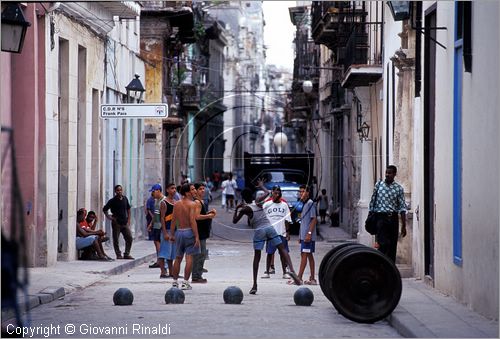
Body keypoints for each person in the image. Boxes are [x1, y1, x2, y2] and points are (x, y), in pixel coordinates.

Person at [232, 180, 301, 295]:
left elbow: (234, 221)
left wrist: (236, 209)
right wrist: (262, 186)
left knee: (257, 257)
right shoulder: (258, 201)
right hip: (270, 227)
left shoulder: (245, 209)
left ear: (242, 197)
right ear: (253, 195)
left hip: (259, 231)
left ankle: (254, 285)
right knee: (282, 249)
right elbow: (268, 193)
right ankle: (292, 271)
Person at [368, 165, 407, 262]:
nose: (387, 175)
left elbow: (402, 207)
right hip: (381, 218)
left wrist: (403, 225)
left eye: (389, 173)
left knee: (392, 245)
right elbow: (372, 201)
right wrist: (370, 216)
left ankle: (391, 270)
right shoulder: (379, 185)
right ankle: (381, 267)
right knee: (383, 244)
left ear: (394, 174)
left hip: (393, 219)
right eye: (386, 172)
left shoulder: (398, 189)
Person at [169, 183, 200, 290]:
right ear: (187, 192)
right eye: (192, 190)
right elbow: (192, 221)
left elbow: (173, 220)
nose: (194, 191)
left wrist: (172, 234)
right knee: (189, 257)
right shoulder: (192, 204)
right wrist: (196, 236)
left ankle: (174, 281)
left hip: (179, 232)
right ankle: (185, 282)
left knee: (177, 258)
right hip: (189, 232)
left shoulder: (177, 204)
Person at [261, 185, 292, 280]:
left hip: (281, 233)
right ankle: (267, 271)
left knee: (283, 253)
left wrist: (288, 232)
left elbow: (287, 220)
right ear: (272, 193)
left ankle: (284, 272)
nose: (277, 195)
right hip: (271, 233)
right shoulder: (267, 205)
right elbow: (262, 218)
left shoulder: (284, 205)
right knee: (270, 253)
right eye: (275, 193)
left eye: (278, 193)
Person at [192, 182, 217, 283]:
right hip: (199, 232)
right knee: (199, 254)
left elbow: (200, 214)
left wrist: (208, 213)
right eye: (200, 189)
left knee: (202, 254)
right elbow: (196, 217)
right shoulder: (197, 202)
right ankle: (196, 276)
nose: (203, 191)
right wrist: (208, 216)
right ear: (196, 191)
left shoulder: (201, 201)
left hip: (202, 231)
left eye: (203, 189)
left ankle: (198, 274)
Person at [102, 184, 134, 260]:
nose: (119, 192)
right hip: (116, 222)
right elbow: (105, 209)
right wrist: (109, 217)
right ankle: (118, 254)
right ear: (115, 191)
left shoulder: (125, 199)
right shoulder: (112, 201)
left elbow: (128, 209)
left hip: (124, 222)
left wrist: (129, 219)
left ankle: (127, 253)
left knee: (129, 237)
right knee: (116, 239)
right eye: (117, 190)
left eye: (120, 190)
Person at [296, 185, 317, 285]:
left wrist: (309, 234)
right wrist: (301, 236)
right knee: (308, 255)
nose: (301, 193)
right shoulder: (304, 204)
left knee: (305, 255)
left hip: (308, 237)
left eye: (303, 191)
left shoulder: (310, 203)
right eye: (300, 191)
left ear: (308, 193)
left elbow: (314, 219)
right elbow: (304, 222)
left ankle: (299, 278)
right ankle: (312, 279)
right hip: (304, 236)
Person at [158, 183, 178, 278]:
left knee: (172, 253)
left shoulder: (175, 202)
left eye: (175, 188)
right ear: (167, 190)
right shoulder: (164, 202)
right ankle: (162, 271)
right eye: (172, 188)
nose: (174, 190)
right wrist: (165, 232)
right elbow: (162, 218)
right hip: (167, 229)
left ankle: (171, 272)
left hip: (174, 230)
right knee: (164, 252)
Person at [147, 184, 167, 275]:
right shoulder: (156, 201)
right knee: (156, 243)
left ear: (158, 191)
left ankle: (162, 262)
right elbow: (155, 214)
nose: (152, 193)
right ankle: (159, 261)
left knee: (161, 245)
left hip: (161, 226)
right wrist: (151, 224)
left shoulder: (164, 201)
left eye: (153, 191)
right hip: (156, 225)